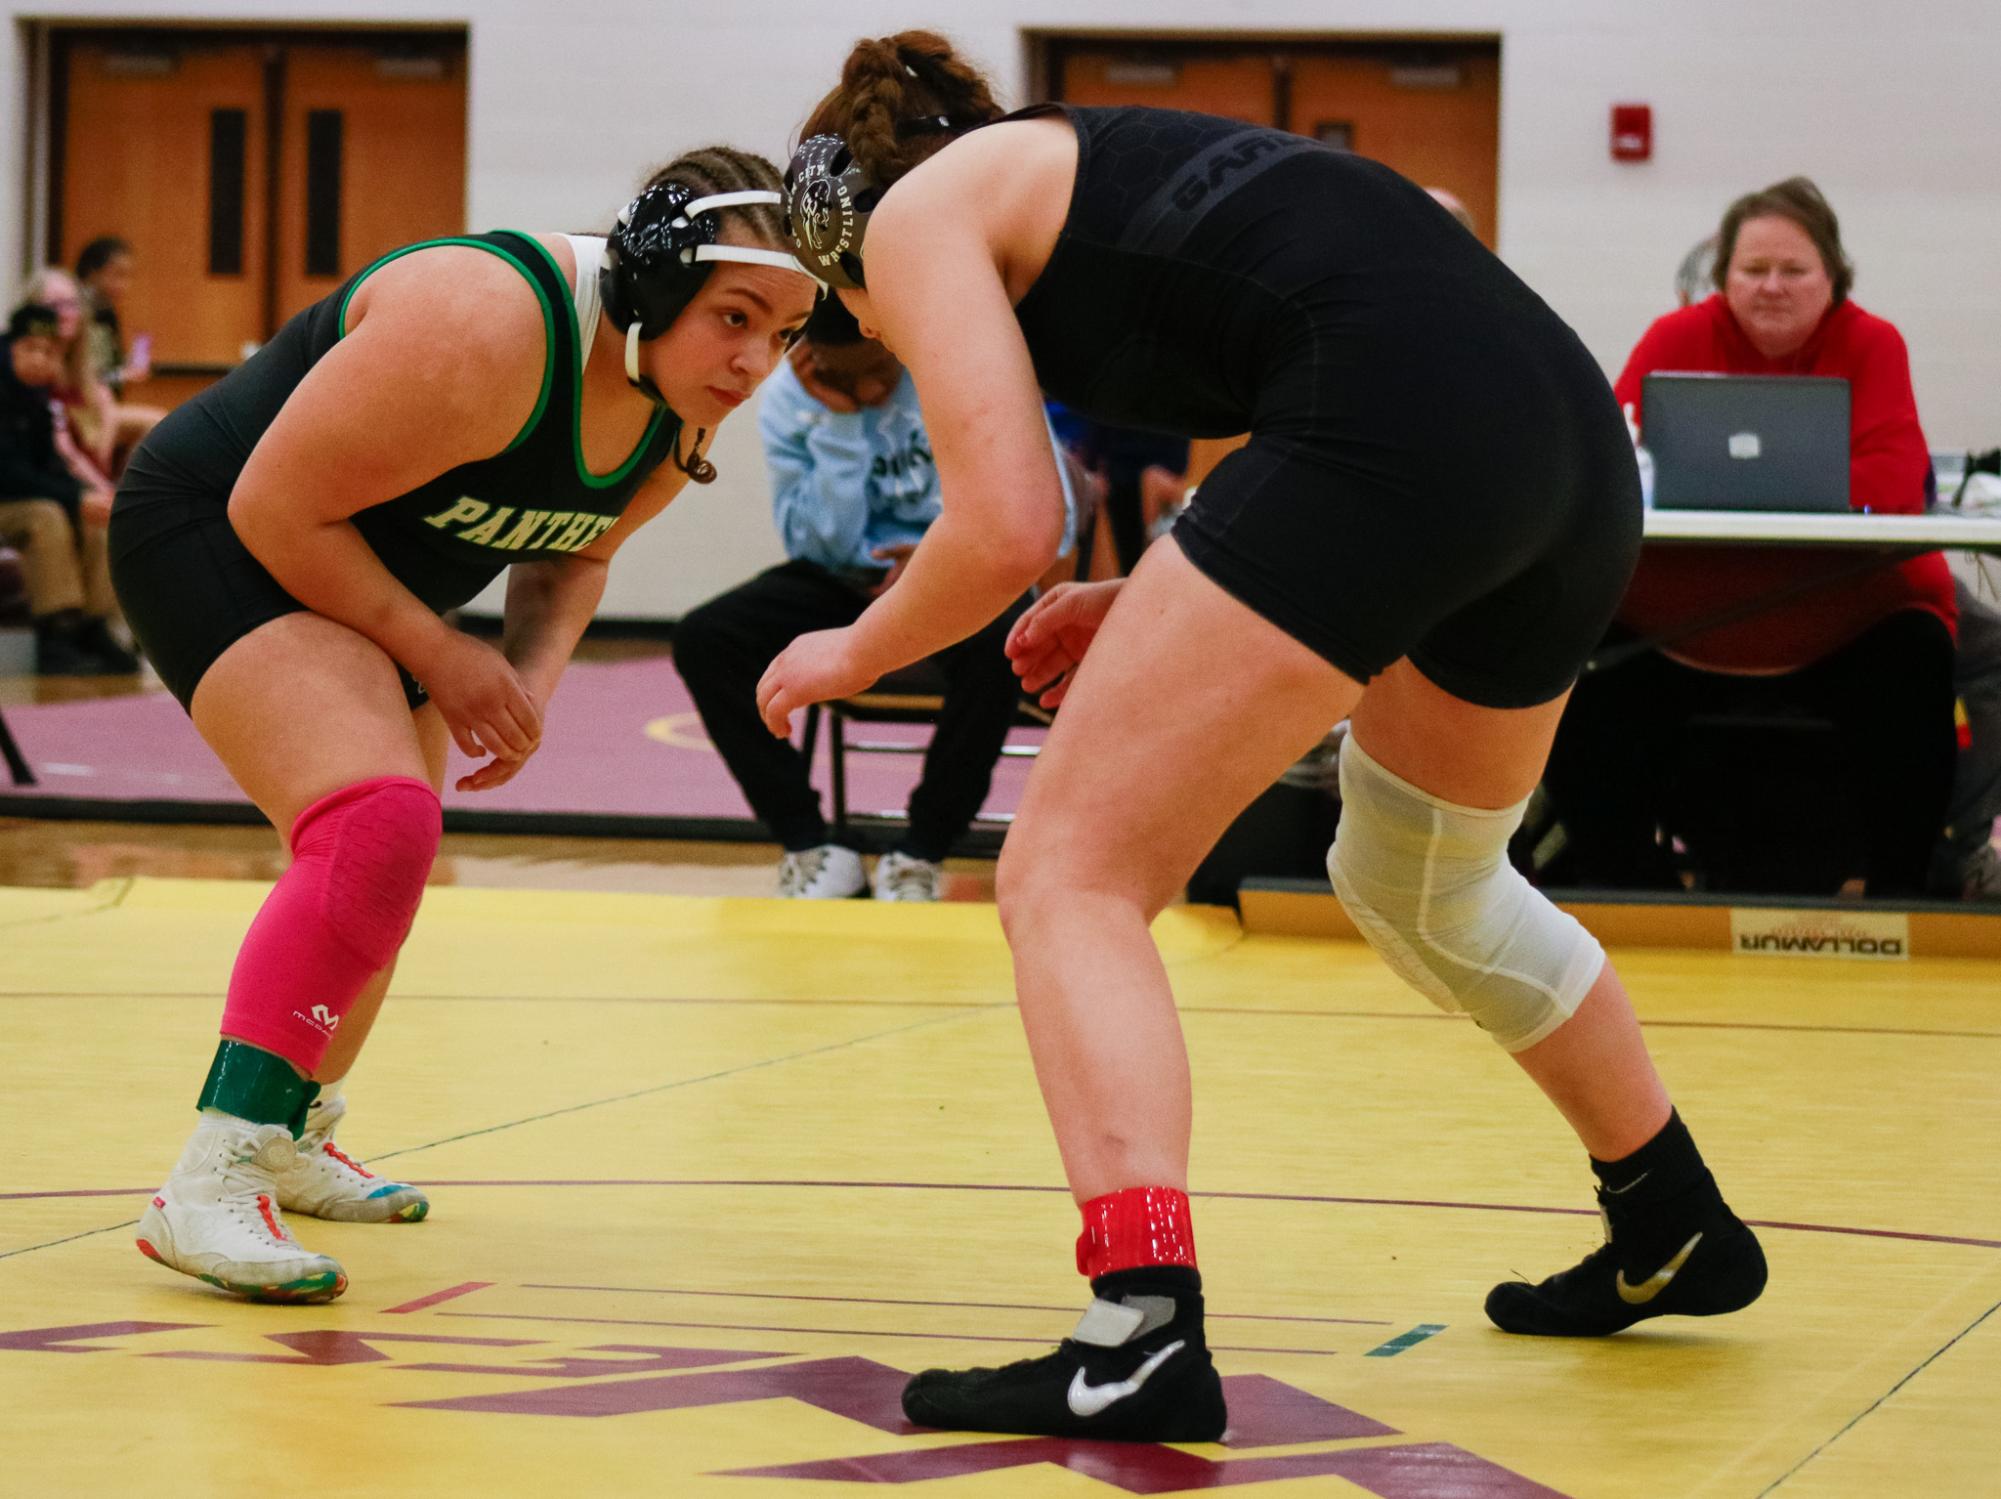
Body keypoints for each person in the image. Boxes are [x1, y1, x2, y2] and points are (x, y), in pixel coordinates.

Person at [758, 32, 1765, 1443]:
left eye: (857, 316)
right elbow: (1325, 347)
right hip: (1564, 455)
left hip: (1402, 434)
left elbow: (1003, 524)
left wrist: (851, 647)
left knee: (1067, 876)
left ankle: (1137, 1327)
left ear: (838, 241)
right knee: (1428, 876)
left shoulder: (919, 212)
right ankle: (1670, 1212)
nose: (892, 339)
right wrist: (1147, 594)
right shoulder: (1079, 167)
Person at [111, 147, 819, 1304]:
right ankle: (208, 1178)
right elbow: (272, 506)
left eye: (784, 333)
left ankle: (289, 1129)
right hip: (220, 530)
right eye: (735, 317)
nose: (755, 364)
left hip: (361, 569)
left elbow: (579, 548)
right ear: (646, 286)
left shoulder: (676, 398)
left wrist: (525, 681)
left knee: (384, 861)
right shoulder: (486, 323)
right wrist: (447, 653)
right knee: (373, 821)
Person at [1546, 177, 1956, 897]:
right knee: (1570, 675)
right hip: (1676, 619)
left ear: (1831, 276)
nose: (1771, 286)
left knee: (1917, 662)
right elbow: (1612, 461)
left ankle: (1899, 892)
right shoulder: (1674, 336)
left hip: (1843, 617)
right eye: (1753, 269)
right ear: (1722, 275)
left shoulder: (1872, 342)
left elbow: (1894, 479)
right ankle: (1631, 889)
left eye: (1792, 270)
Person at [676, 295, 1065, 901]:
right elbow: (818, 543)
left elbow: (1030, 508)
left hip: (957, 572)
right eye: (839, 373)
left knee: (1000, 643)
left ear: (893, 341)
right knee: (706, 638)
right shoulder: (789, 399)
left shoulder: (960, 372)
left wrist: (943, 559)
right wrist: (840, 423)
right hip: (845, 578)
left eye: (875, 369)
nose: (863, 383)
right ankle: (810, 845)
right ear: (810, 361)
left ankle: (922, 850)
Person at [0, 301, 136, 673]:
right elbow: (8, 473)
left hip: (21, 499)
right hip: (8, 499)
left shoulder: (37, 399)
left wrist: (85, 496)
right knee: (47, 517)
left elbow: (51, 466)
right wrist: (74, 497)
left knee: (93, 519)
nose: (40, 360)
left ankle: (93, 627)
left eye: (49, 352)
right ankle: (55, 635)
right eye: (30, 349)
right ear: (9, 347)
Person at [74, 235, 163, 461]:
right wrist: (121, 373)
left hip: (101, 397)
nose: (124, 284)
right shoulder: (77, 311)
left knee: (158, 425)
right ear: (92, 271)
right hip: (78, 400)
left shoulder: (107, 311)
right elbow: (82, 372)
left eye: (128, 276)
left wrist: (126, 367)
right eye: (117, 274)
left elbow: (105, 368)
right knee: (156, 423)